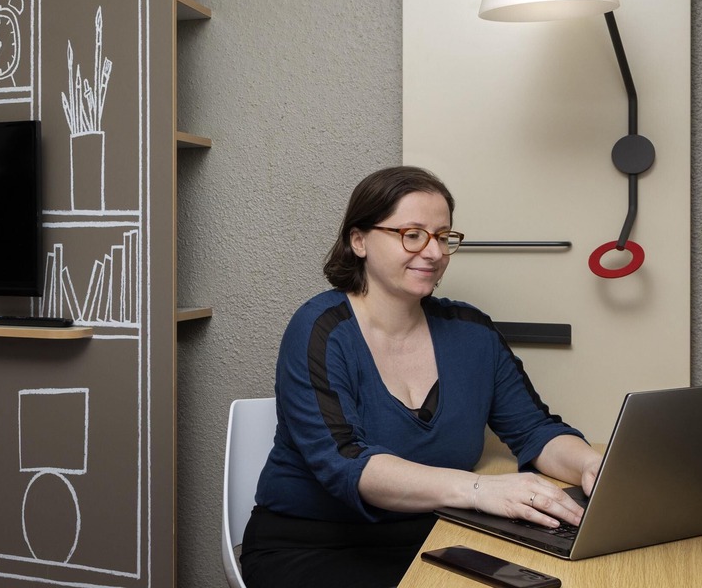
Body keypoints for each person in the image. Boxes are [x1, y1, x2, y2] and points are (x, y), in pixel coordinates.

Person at [240, 166, 602, 588]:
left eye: (443, 236)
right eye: (412, 234)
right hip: (313, 546)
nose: (433, 252)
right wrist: (481, 491)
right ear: (359, 240)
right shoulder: (319, 330)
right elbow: (347, 465)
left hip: (439, 533)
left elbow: (535, 430)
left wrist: (592, 464)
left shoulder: (473, 332)